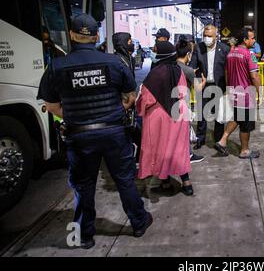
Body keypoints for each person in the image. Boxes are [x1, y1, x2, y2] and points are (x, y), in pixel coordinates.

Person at [37, 14, 152, 249]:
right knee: (124, 180)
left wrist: (72, 116)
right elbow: (131, 96)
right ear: (96, 36)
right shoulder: (113, 62)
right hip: (113, 132)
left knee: (83, 186)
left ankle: (85, 236)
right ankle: (139, 222)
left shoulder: (57, 66)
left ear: (71, 34)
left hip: (79, 136)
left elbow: (51, 106)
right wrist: (112, 111)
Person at [137, 40, 193, 196]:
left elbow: (147, 99)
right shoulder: (178, 70)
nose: (153, 52)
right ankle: (187, 184)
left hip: (160, 115)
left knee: (162, 150)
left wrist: (137, 105)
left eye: (155, 50)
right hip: (179, 112)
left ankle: (166, 183)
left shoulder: (156, 73)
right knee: (179, 149)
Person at [214, 27, 261, 159]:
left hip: (234, 91)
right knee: (245, 124)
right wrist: (260, 92)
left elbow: (227, 73)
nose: (254, 40)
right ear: (245, 40)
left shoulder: (231, 53)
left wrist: (229, 88)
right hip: (246, 94)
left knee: (237, 117)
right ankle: (244, 151)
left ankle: (222, 141)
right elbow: (254, 76)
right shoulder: (250, 54)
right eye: (252, 38)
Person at [190, 24, 230, 149]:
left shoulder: (224, 49)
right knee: (202, 113)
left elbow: (228, 69)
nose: (206, 38)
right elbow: (192, 66)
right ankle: (200, 139)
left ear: (216, 36)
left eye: (209, 36)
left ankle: (218, 139)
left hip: (219, 86)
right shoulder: (198, 48)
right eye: (204, 36)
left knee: (219, 114)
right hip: (203, 86)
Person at [175, 38, 206, 164]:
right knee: (184, 130)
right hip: (183, 104)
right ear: (188, 54)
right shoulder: (187, 70)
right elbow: (197, 88)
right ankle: (188, 155)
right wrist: (203, 81)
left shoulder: (172, 66)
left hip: (171, 103)